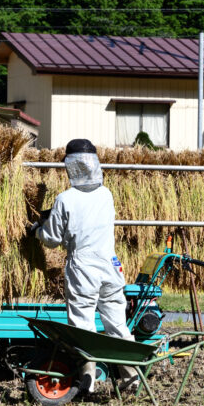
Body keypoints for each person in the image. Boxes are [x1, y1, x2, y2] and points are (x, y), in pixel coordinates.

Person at [32, 138, 138, 392]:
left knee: (82, 324)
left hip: (83, 267)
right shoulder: (106, 194)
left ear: (71, 167)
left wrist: (38, 229)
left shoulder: (65, 199)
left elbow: (53, 239)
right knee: (116, 323)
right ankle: (132, 378)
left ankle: (87, 381)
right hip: (111, 265)